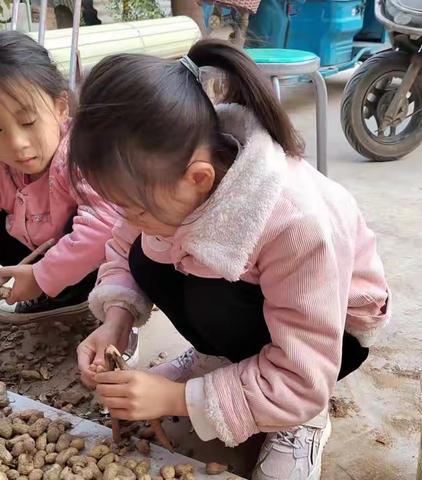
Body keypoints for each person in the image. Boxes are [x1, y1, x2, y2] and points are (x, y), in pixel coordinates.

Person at [71, 39, 391, 480]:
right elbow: (124, 243)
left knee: (210, 298)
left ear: (199, 178)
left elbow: (305, 376)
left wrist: (176, 399)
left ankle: (300, 423)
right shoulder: (165, 173)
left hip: (330, 339)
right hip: (254, 301)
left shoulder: (296, 224)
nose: (130, 219)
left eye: (136, 208)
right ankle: (218, 361)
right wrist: (116, 319)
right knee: (146, 253)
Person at [0, 31, 115, 325]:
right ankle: (52, 294)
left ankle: (91, 306)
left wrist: (41, 277)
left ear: (61, 107)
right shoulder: (7, 163)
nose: (17, 143)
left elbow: (103, 229)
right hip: (41, 244)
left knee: (114, 243)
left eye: (28, 122)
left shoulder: (79, 155)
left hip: (99, 264)